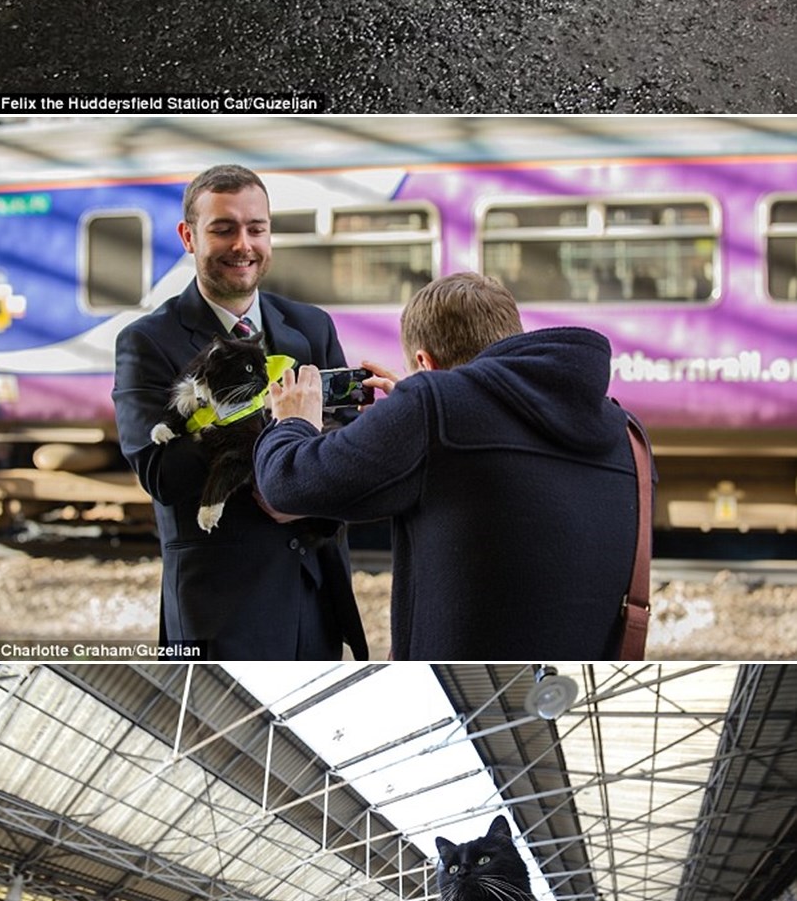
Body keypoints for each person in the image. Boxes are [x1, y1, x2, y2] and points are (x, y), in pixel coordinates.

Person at [256, 271, 652, 660]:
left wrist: (294, 419)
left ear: (424, 361)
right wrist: (414, 415)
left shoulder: (432, 406)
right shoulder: (629, 437)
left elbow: (287, 482)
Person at [111, 151, 368, 665]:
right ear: (189, 237)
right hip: (219, 609)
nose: (243, 245)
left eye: (256, 228)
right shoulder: (147, 343)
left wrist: (307, 495)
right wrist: (282, 435)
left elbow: (347, 443)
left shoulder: (311, 327)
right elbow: (161, 472)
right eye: (223, 229)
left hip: (315, 592)